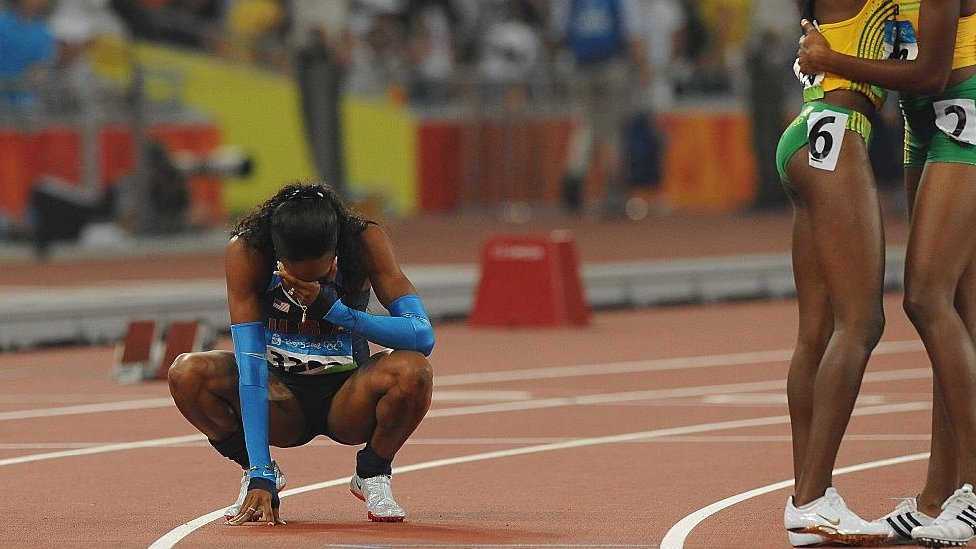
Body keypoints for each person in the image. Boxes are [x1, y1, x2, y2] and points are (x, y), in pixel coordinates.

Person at [799, 0, 976, 546]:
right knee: (955, 308)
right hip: (921, 122)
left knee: (926, 297)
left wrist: (837, 61)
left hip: (963, 107)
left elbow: (931, 71)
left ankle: (972, 487)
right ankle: (936, 495)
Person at [168, 182, 435, 525]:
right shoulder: (248, 252)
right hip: (281, 398)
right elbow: (250, 366)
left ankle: (372, 473)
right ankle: (254, 473)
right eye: (294, 277)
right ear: (278, 256)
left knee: (414, 370)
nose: (303, 285)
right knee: (187, 373)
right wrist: (260, 468)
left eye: (320, 273)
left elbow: (421, 335)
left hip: (348, 397)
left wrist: (336, 309)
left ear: (335, 254)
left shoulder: (365, 242)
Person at [776, 0, 896, 546]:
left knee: (815, 334)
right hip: (837, 135)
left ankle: (810, 497)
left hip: (810, 131)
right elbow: (926, 71)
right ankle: (810, 496)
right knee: (861, 322)